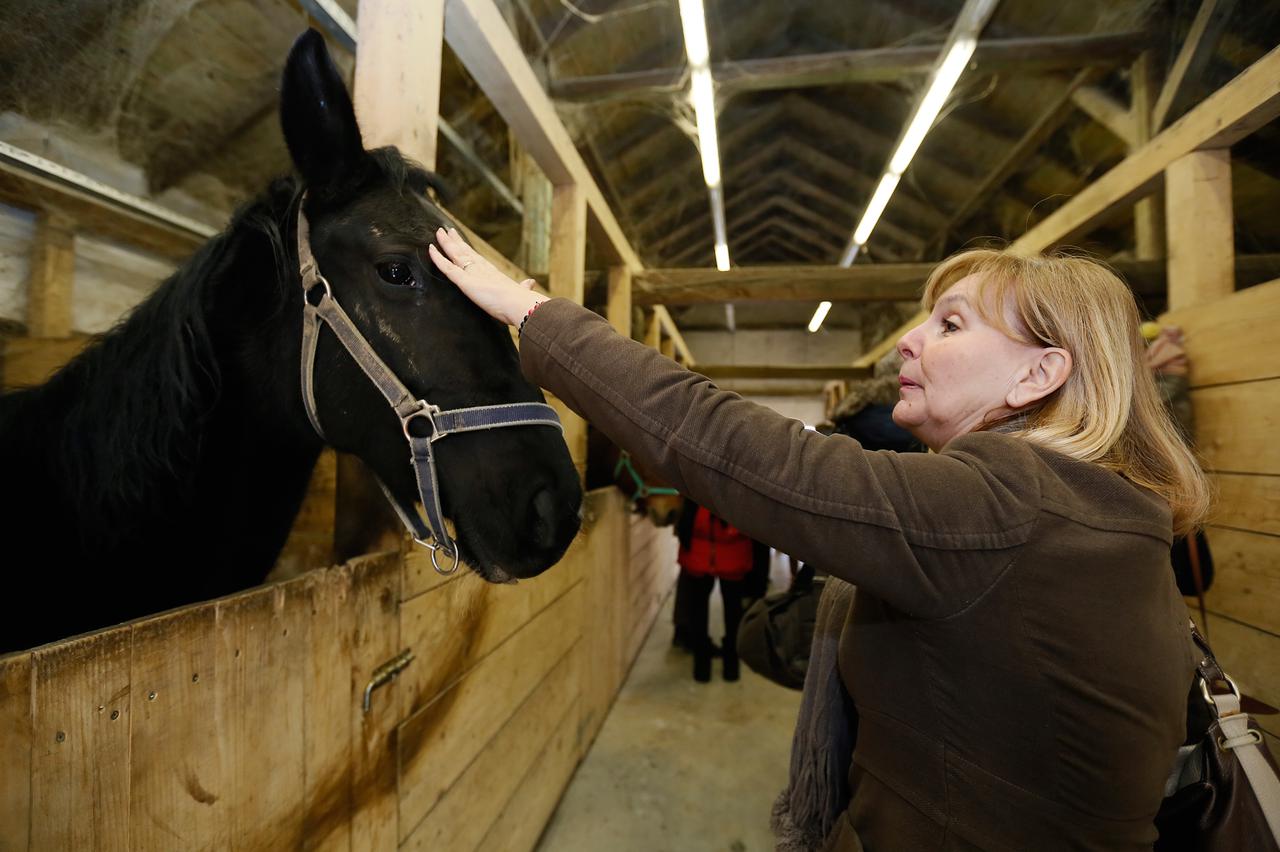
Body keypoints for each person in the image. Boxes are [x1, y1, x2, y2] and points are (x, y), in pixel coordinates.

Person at [429, 231, 1210, 851]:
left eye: (950, 323)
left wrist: (535, 313)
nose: (908, 340)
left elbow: (732, 444)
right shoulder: (1090, 510)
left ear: (1037, 376)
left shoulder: (1004, 506)